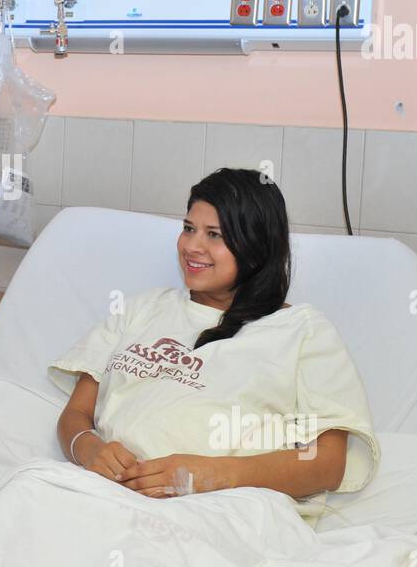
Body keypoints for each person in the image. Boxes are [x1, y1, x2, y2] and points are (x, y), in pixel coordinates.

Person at [51, 167, 379, 525]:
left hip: (223, 511)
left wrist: (210, 476)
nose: (192, 246)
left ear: (255, 248)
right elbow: (76, 414)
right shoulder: (140, 310)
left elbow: (326, 462)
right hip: (105, 496)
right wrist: (88, 449)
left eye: (214, 235)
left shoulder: (301, 331)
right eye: (188, 228)